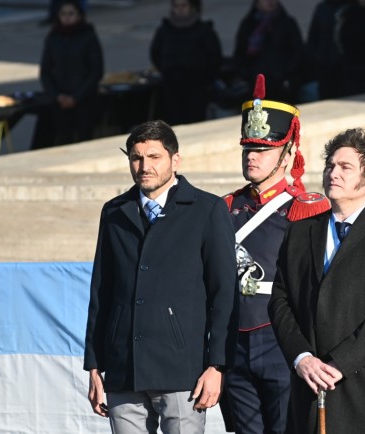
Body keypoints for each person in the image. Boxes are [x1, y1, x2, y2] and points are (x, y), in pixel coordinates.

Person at [83, 120, 238, 434]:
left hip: (182, 371)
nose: (144, 167)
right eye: (136, 158)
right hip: (123, 369)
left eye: (154, 157)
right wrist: (95, 366)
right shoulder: (114, 212)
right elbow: (101, 291)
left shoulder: (207, 209)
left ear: (175, 160)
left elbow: (224, 294)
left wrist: (217, 366)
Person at [268, 127, 365, 433]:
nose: (333, 173)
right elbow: (280, 300)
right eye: (330, 166)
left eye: (345, 167)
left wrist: (339, 364)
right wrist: (301, 357)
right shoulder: (300, 231)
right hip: (308, 391)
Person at [222, 74, 330, 434]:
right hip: (234, 341)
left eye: (263, 150)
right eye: (247, 149)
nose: (251, 157)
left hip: (281, 339)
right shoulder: (226, 206)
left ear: (287, 153)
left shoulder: (307, 208)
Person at [39, 0, 103, 146]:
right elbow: (45, 72)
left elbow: (96, 71)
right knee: (63, 140)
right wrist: (57, 96)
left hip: (84, 100)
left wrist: (76, 97)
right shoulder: (53, 37)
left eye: (71, 14)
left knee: (84, 140)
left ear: (79, 16)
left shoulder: (88, 36)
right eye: (63, 14)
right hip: (59, 102)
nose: (66, 17)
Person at [150, 0, 222, 125]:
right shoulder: (164, 30)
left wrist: (206, 78)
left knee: (195, 122)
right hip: (171, 85)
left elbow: (214, 56)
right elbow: (155, 53)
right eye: (176, 6)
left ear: (192, 7)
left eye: (183, 5)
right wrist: (166, 70)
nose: (180, 9)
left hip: (197, 86)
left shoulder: (203, 30)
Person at [232, 0, 305, 104]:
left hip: (282, 85)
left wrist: (288, 74)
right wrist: (246, 75)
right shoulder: (249, 25)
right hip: (255, 84)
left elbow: (298, 51)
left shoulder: (287, 23)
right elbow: (240, 52)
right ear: (257, 3)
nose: (270, 1)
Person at [304, 0, 348, 100]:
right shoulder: (322, 8)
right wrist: (316, 59)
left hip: (344, 66)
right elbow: (313, 36)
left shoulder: (349, 7)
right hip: (324, 65)